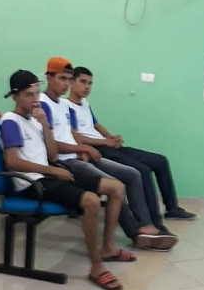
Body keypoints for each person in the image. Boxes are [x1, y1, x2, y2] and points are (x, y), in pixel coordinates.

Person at [0, 69, 136, 290]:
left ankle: (108, 248)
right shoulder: (10, 121)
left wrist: (45, 124)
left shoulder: (35, 120)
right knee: (91, 201)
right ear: (15, 97)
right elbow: (12, 162)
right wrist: (52, 171)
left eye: (36, 93)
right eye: (28, 95)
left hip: (48, 174)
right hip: (31, 183)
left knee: (115, 188)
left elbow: (53, 155)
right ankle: (97, 267)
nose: (35, 100)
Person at [40, 57, 177, 251]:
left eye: (69, 79)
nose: (66, 84)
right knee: (116, 186)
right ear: (49, 78)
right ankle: (136, 233)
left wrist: (85, 147)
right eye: (63, 78)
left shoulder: (63, 104)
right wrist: (83, 148)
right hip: (65, 162)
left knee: (134, 174)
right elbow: (50, 145)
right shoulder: (43, 104)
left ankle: (146, 224)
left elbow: (72, 134)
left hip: (80, 155)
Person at [67, 66, 196, 234]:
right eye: (83, 82)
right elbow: (76, 136)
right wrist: (105, 142)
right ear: (72, 82)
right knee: (142, 170)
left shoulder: (85, 104)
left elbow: (96, 125)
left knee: (160, 160)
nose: (87, 87)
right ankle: (153, 223)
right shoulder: (66, 107)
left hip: (107, 145)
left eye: (90, 83)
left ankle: (172, 208)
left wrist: (111, 137)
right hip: (96, 150)